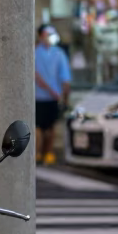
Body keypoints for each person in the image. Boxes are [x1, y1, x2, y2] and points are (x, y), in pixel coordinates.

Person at [35, 24, 71, 165]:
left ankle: (44, 154)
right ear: (40, 36)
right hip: (40, 98)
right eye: (47, 34)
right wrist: (64, 97)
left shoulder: (57, 54)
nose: (50, 37)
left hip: (51, 98)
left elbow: (65, 79)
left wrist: (64, 95)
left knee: (47, 127)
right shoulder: (38, 53)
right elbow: (65, 80)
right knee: (42, 128)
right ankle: (43, 153)